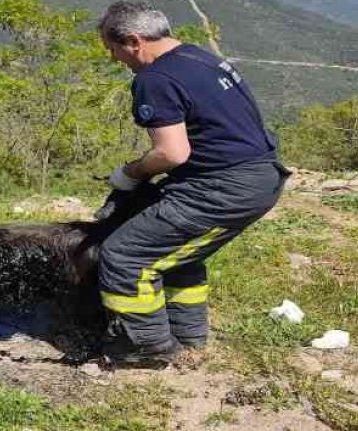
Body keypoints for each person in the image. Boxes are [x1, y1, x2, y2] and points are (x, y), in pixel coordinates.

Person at [96, 2, 291, 364]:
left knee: (125, 256)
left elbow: (172, 153)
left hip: (223, 189)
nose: (114, 59)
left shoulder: (154, 78)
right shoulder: (199, 58)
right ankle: (188, 340)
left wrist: (131, 172)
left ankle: (147, 350)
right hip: (258, 174)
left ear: (134, 41)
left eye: (113, 49)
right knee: (175, 255)